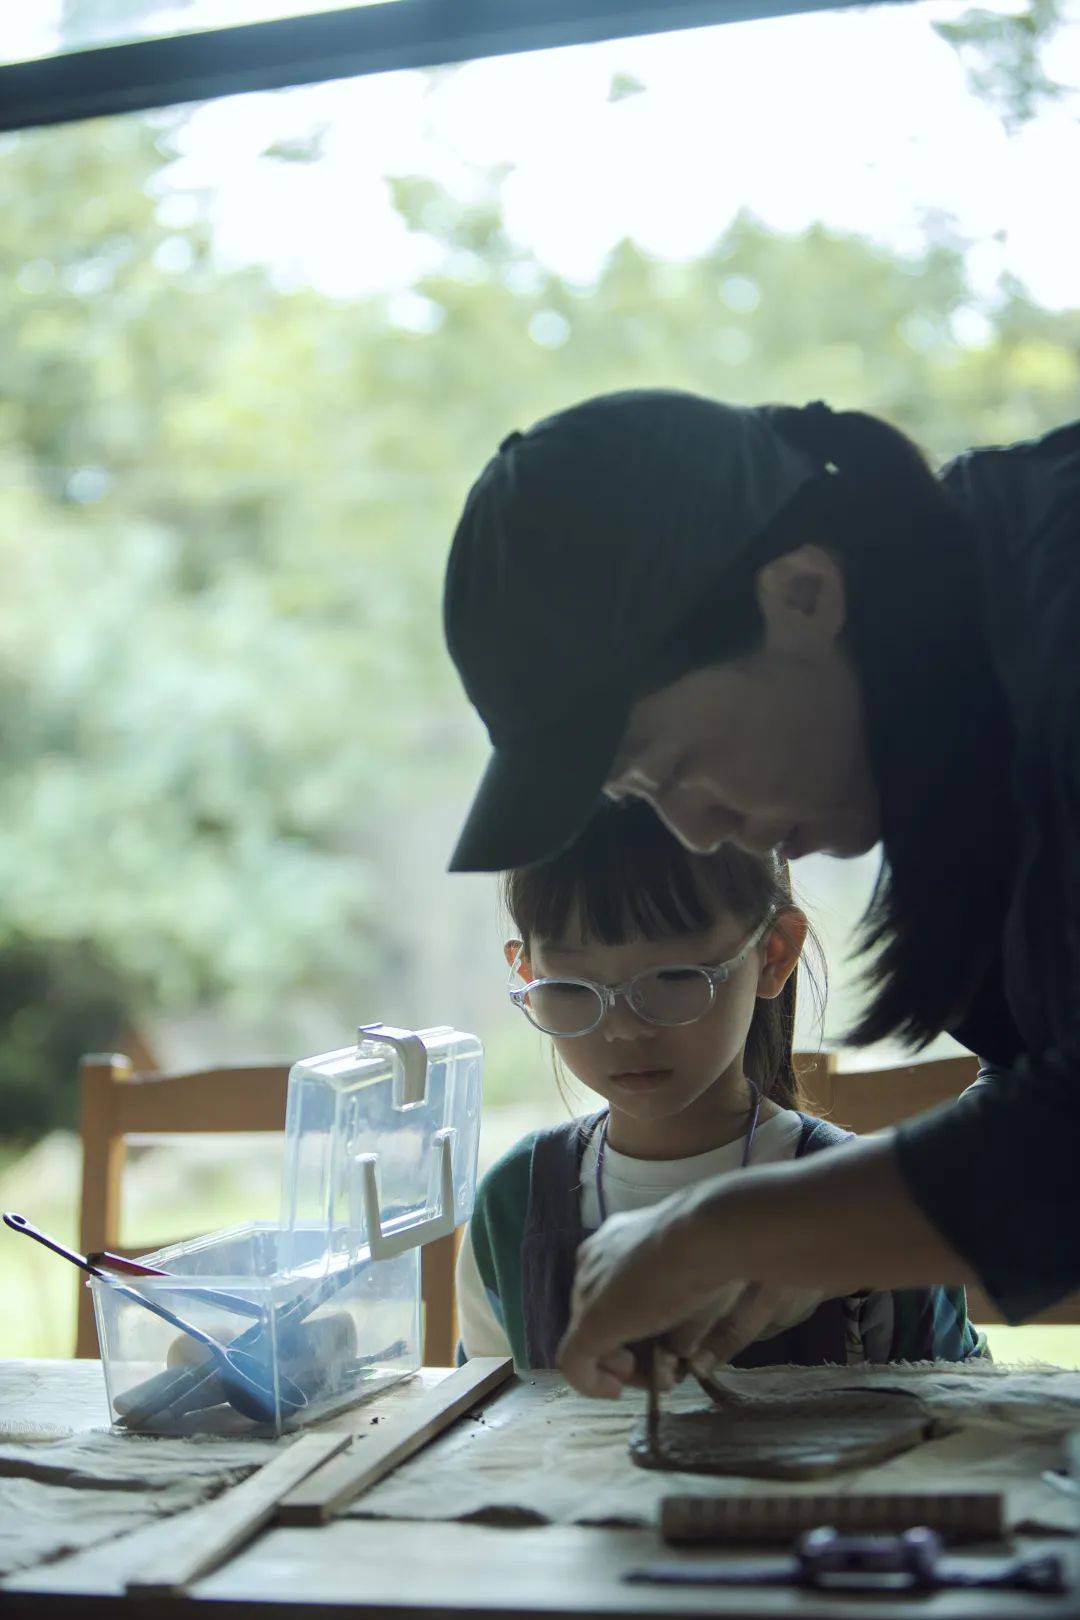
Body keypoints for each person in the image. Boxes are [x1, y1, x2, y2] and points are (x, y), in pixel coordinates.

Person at [442, 389, 1079, 1397]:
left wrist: (731, 1226)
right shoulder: (953, 725)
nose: (694, 829)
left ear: (802, 595)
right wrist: (820, 1244)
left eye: (674, 764)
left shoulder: (1058, 632)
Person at [456, 797, 984, 1371]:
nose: (626, 1029)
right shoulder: (514, 1207)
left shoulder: (864, 1213)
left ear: (773, 954)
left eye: (675, 978)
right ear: (528, 975)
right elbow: (486, 1429)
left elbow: (955, 1412)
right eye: (572, 988)